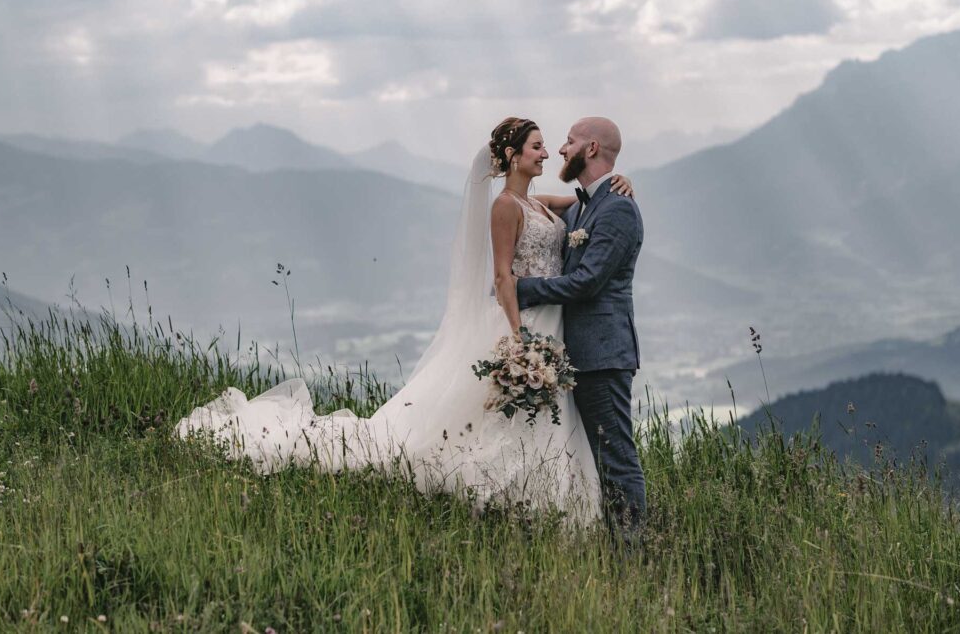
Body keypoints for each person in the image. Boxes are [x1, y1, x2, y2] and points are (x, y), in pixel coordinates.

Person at [175, 117, 633, 526]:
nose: (549, 152)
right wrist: (519, 341)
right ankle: (510, 498)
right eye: (538, 146)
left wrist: (618, 182)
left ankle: (549, 500)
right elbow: (501, 277)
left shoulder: (541, 205)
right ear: (512, 156)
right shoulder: (504, 207)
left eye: (555, 144)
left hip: (554, 327)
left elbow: (583, 203)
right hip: (525, 327)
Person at [516, 117, 646, 546]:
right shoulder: (587, 203)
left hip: (603, 354)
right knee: (594, 458)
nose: (561, 148)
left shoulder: (617, 208)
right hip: (582, 354)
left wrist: (520, 291)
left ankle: (633, 555)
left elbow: (588, 281)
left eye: (569, 141)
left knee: (616, 458)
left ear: (590, 149)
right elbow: (526, 205)